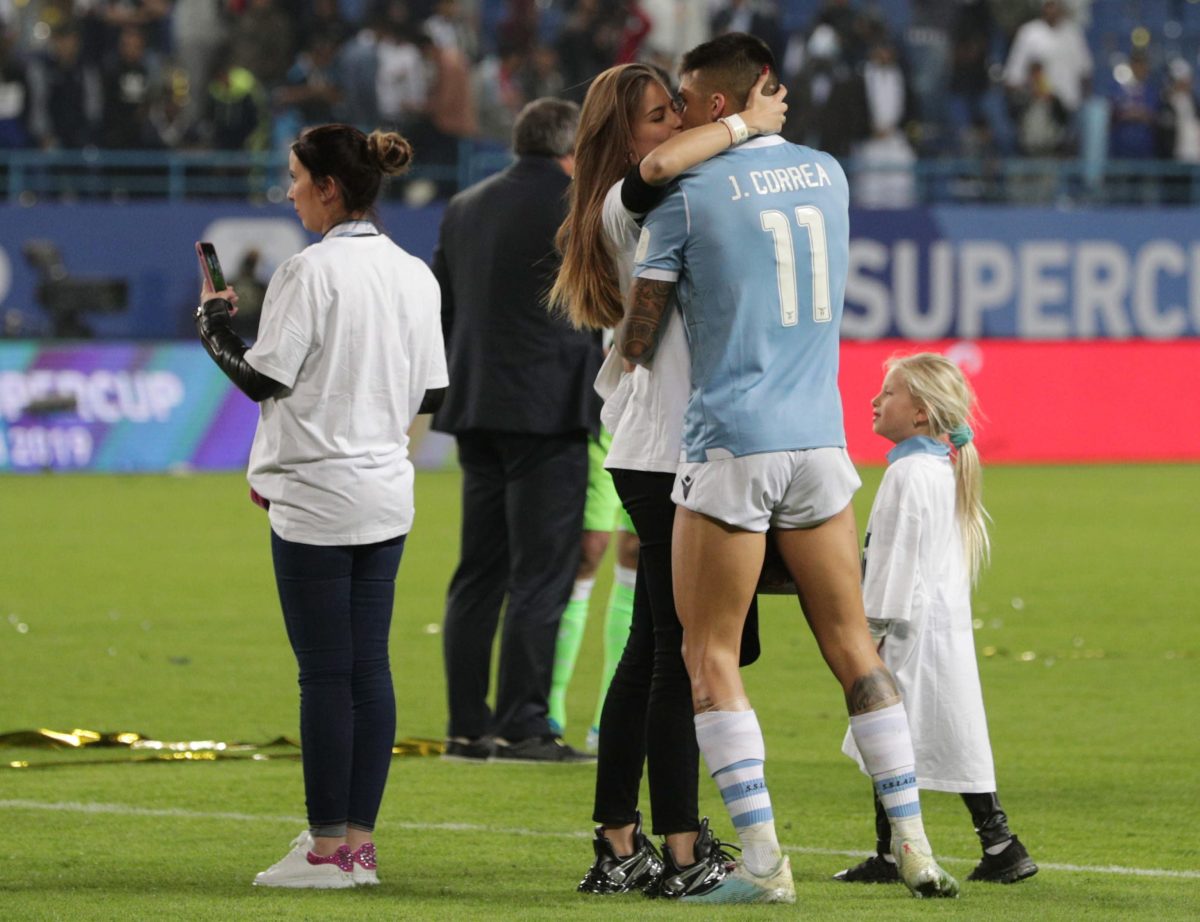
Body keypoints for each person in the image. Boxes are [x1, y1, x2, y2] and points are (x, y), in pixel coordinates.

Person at [618, 33, 958, 904]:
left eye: (689, 99)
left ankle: (766, 866)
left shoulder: (685, 196)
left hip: (732, 443)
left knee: (707, 655)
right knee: (852, 647)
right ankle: (915, 845)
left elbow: (640, 341)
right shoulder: (830, 175)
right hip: (823, 444)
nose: (681, 113)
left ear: (718, 104)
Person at [550, 60, 785, 898]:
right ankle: (681, 852)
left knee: (655, 651)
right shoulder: (631, 197)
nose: (670, 126)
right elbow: (657, 170)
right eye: (658, 115)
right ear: (624, 134)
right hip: (666, 453)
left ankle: (620, 841)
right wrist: (747, 123)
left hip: (660, 445)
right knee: (685, 660)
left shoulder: (656, 199)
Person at [193, 122, 447, 888]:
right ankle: (358, 848)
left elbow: (264, 378)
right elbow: (432, 392)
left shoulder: (309, 272)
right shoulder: (414, 273)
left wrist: (213, 328)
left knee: (324, 675)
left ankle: (325, 849)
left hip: (315, 495)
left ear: (330, 187)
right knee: (370, 669)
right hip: (385, 490)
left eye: (297, 177)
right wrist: (380, 452)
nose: (290, 189)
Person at [432, 97, 602, 765]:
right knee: (542, 571)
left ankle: (467, 728)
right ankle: (524, 724)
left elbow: (444, 307)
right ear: (572, 148)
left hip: (475, 406)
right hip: (548, 411)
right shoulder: (578, 205)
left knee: (479, 572)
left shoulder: (465, 206)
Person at [834, 352, 1038, 886]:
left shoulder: (907, 474)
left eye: (889, 393)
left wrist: (867, 633)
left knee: (889, 735)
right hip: (938, 628)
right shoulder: (939, 469)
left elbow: (893, 568)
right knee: (942, 732)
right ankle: (995, 843)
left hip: (908, 631)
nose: (875, 401)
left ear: (920, 412)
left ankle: (962, 846)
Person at [546, 447, 639, 754]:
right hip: (603, 424)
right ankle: (549, 707)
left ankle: (610, 718)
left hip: (656, 428)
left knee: (637, 550)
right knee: (586, 549)